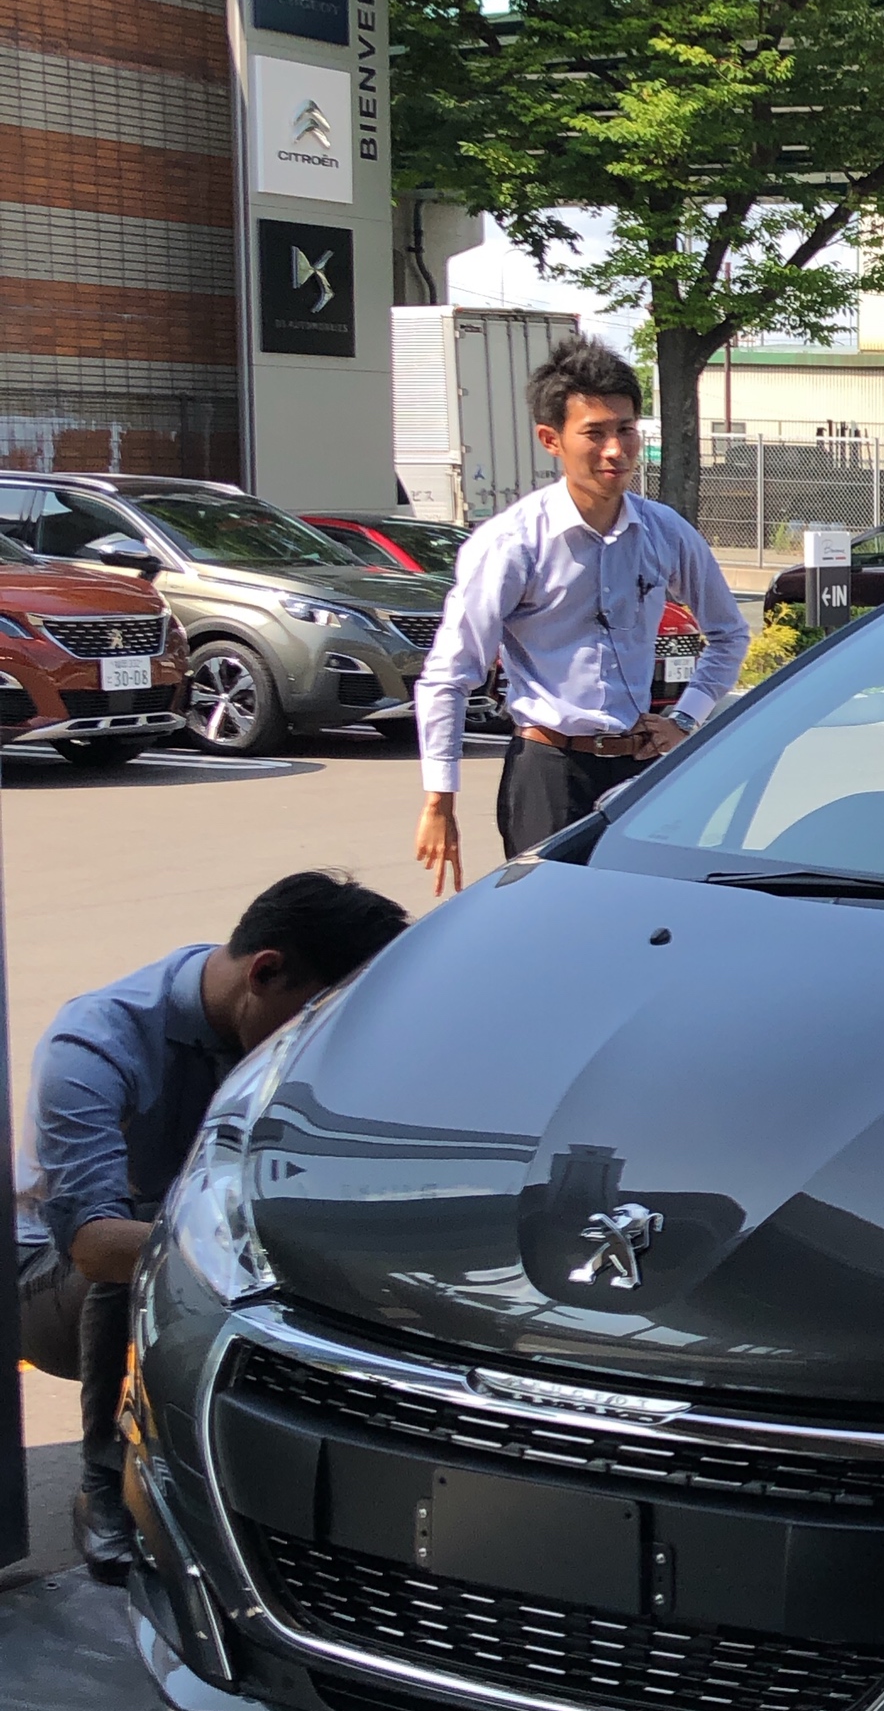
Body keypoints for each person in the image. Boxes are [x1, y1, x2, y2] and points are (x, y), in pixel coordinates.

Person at [15, 872, 408, 1579]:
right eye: (320, 1017)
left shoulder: (269, 1024)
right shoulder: (96, 1044)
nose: (329, 1040)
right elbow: (94, 1247)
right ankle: (104, 1485)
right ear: (265, 971)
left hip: (209, 1258)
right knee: (153, 1239)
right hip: (50, 1283)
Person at [412, 336, 750, 888]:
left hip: (641, 766)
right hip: (548, 771)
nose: (615, 450)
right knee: (549, 925)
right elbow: (450, 674)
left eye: (625, 430)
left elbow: (729, 634)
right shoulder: (512, 543)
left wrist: (686, 719)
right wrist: (439, 799)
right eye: (594, 433)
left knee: (643, 915)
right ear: (552, 440)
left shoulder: (664, 531)